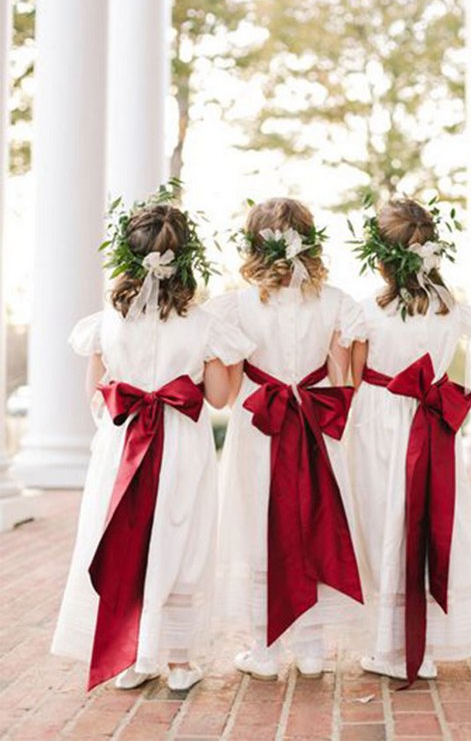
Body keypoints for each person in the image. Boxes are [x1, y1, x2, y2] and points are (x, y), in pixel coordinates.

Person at [52, 186, 254, 692]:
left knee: (127, 539)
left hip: (122, 446)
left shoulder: (108, 322)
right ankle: (180, 663)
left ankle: (134, 657)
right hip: (181, 445)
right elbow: (220, 397)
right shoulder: (204, 324)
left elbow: (96, 395)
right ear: (186, 260)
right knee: (181, 541)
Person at [205, 197, 365, 680]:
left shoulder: (235, 307)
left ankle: (265, 649)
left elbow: (227, 393)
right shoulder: (337, 302)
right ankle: (313, 649)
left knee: (258, 530)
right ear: (309, 239)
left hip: (260, 428)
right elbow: (346, 381)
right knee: (315, 524)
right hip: (316, 427)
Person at [346, 196, 471, 684]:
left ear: (379, 258)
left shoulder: (367, 313)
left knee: (383, 523)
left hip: (379, 423)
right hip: (431, 424)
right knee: (429, 521)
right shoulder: (449, 307)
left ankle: (391, 646)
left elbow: (354, 379)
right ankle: (424, 642)